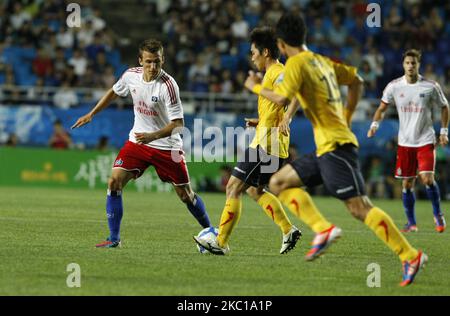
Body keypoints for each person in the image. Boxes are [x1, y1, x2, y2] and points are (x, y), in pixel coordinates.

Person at [244, 13, 426, 286]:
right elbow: (357, 82)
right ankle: (323, 229)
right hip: (327, 146)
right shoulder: (322, 61)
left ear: (281, 44)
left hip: (336, 147)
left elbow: (282, 97)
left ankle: (409, 255)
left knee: (358, 207)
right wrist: (347, 115)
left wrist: (254, 86)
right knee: (279, 181)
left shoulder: (295, 65)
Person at [72, 39, 211, 248]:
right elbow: (114, 91)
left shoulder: (169, 86)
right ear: (140, 61)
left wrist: (153, 136)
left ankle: (211, 233)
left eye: (157, 62)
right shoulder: (131, 76)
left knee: (185, 195)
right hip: (137, 141)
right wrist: (92, 113)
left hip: (166, 145)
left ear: (163, 60)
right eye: (148, 62)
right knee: (113, 182)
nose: (153, 67)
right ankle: (114, 238)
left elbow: (178, 124)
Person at [194, 27, 301, 255]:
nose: (252, 57)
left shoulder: (277, 72)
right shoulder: (273, 74)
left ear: (265, 52)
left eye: (253, 52)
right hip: (269, 140)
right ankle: (288, 229)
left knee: (233, 186)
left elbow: (291, 96)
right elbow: (278, 104)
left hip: (267, 144)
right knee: (253, 190)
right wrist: (261, 120)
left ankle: (220, 242)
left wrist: (256, 88)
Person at [367, 49, 448, 233]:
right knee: (406, 184)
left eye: (414, 63)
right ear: (403, 65)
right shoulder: (394, 86)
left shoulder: (430, 86)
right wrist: (374, 125)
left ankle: (438, 215)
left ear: (418, 65)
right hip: (405, 143)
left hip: (425, 140)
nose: (411, 66)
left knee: (427, 179)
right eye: (407, 63)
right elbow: (381, 109)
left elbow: (445, 107)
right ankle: (411, 223)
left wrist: (443, 132)